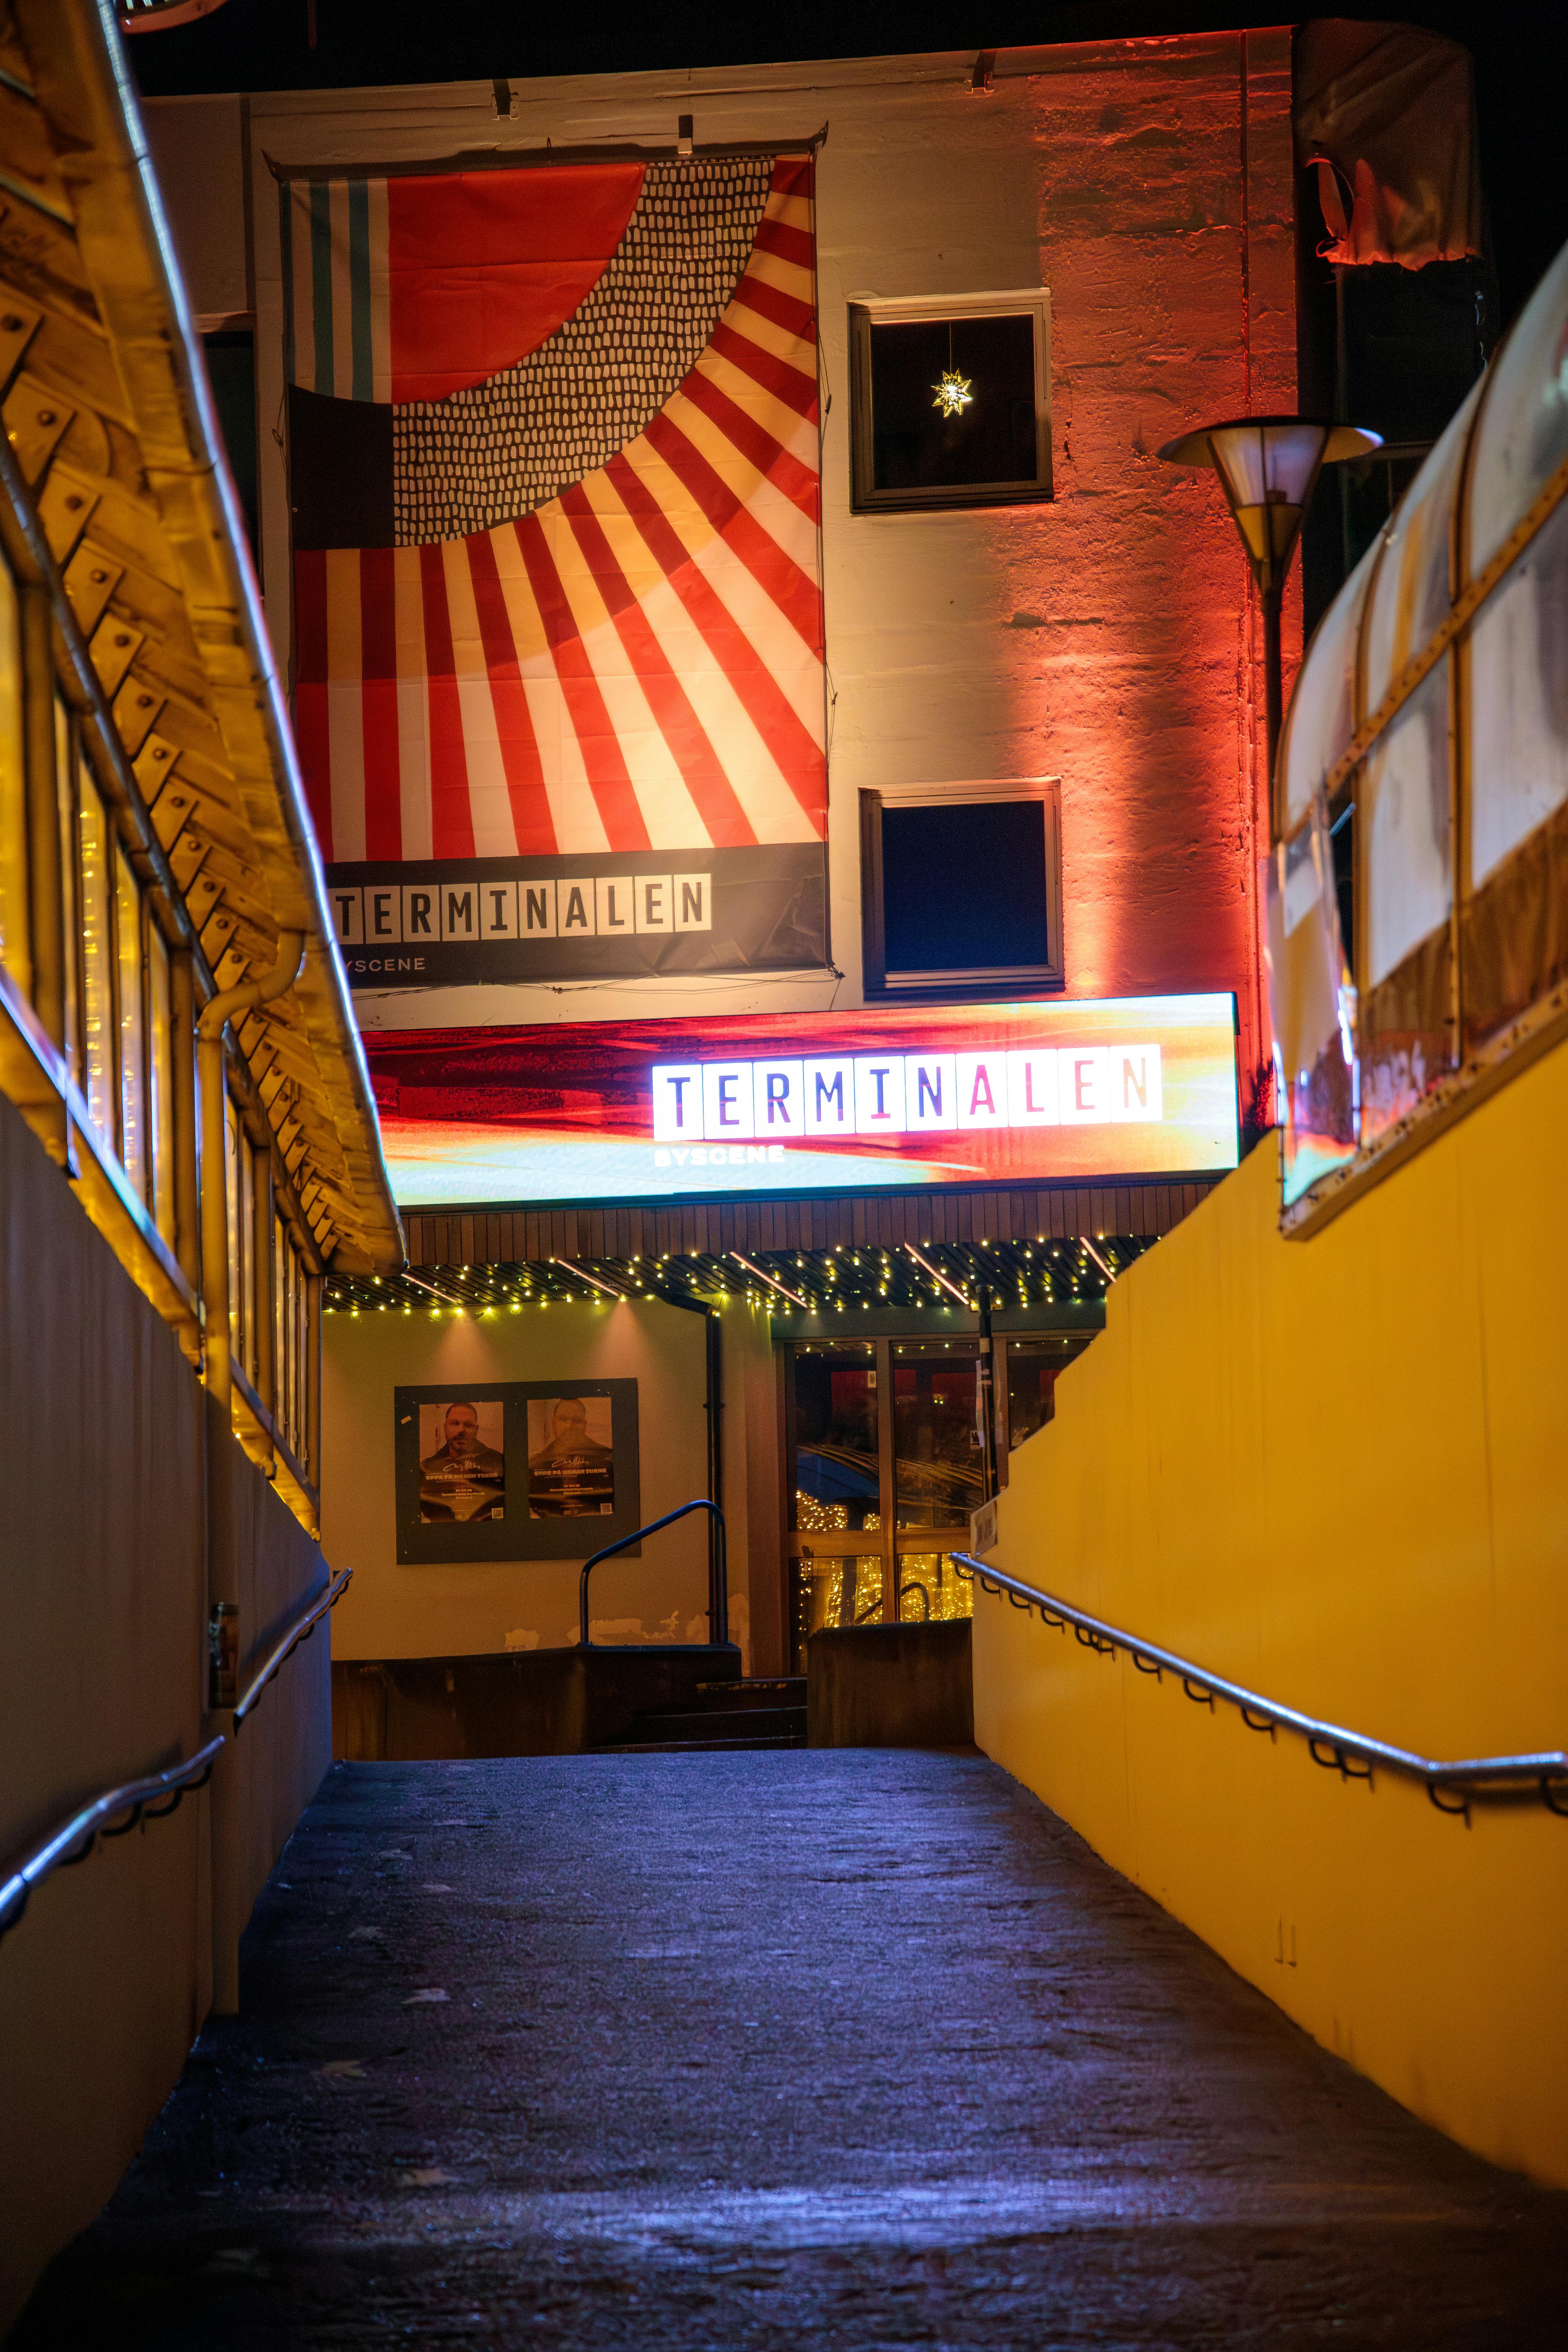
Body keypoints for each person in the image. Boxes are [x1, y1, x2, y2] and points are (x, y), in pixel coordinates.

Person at [419, 1400, 505, 1522]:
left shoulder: (499, 1463)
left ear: (476, 1429)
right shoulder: (426, 1469)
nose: (461, 1431)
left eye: (468, 1425)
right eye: (455, 1424)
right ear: (445, 1428)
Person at [528, 1395, 615, 1517]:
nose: (570, 1426)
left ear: (584, 1425)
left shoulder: (608, 1461)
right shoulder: (536, 1465)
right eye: (563, 1419)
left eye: (577, 1420)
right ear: (554, 1425)